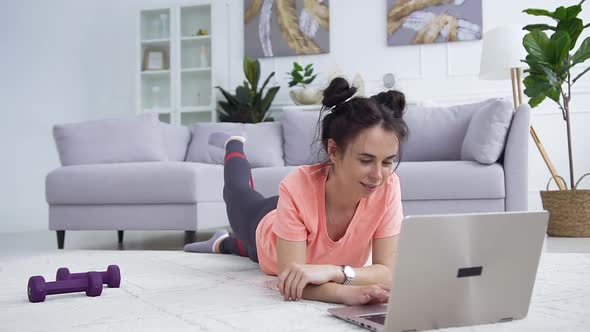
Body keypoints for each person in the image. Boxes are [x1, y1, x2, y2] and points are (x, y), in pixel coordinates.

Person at [185, 77, 409, 305]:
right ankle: (233, 144)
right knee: (237, 194)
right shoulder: (297, 187)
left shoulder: (388, 186)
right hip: (268, 224)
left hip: (297, 241)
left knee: (255, 254)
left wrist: (337, 272)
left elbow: (388, 273)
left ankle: (223, 243)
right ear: (333, 150)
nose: (377, 175)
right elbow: (290, 280)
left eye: (387, 162)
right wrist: (344, 293)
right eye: (365, 160)